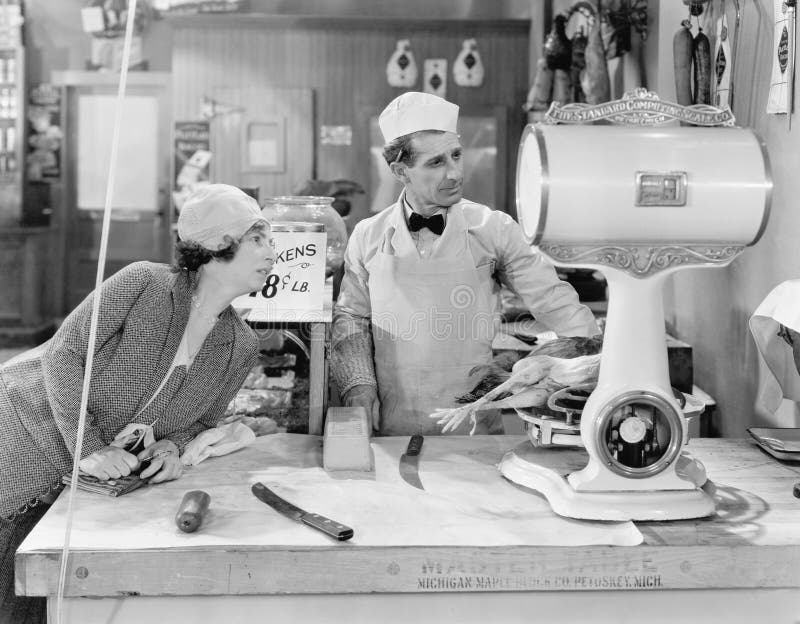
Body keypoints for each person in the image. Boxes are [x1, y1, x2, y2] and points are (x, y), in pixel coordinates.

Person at [0, 183, 275, 622]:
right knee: (10, 596)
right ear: (216, 246)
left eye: (271, 241)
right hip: (24, 442)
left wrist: (171, 447)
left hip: (96, 487)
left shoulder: (241, 344)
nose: (272, 252)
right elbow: (65, 353)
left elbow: (203, 421)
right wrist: (88, 446)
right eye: (258, 239)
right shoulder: (143, 282)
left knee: (49, 604)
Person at [331, 92, 598, 437]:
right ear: (400, 171)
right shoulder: (367, 235)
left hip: (475, 428)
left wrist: (581, 363)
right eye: (436, 162)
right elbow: (351, 318)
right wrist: (359, 387)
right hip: (391, 426)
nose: (455, 172)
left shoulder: (494, 228)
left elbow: (560, 308)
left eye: (456, 155)